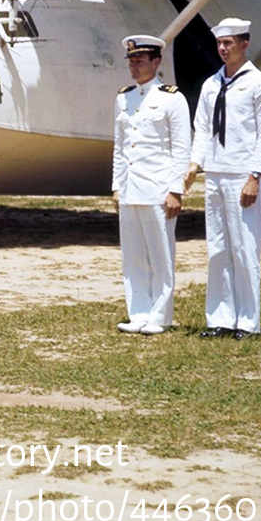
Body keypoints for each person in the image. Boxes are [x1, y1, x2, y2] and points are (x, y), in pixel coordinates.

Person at [184, 18, 261, 340]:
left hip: (241, 175)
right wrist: (195, 164)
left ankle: (248, 322)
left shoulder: (260, 84)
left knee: (245, 248)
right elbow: (203, 129)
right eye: (220, 44)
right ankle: (221, 319)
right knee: (218, 249)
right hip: (215, 176)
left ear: (245, 43)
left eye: (230, 43)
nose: (223, 49)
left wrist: (255, 176)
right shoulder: (211, 85)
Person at [112, 34, 191, 335]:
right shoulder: (124, 97)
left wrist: (175, 190)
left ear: (156, 62)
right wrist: (117, 186)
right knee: (132, 256)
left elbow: (181, 148)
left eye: (140, 61)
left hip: (158, 189)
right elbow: (120, 146)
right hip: (131, 189)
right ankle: (138, 313)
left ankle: (160, 316)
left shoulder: (172, 98)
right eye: (131, 61)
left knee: (161, 255)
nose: (134, 66)